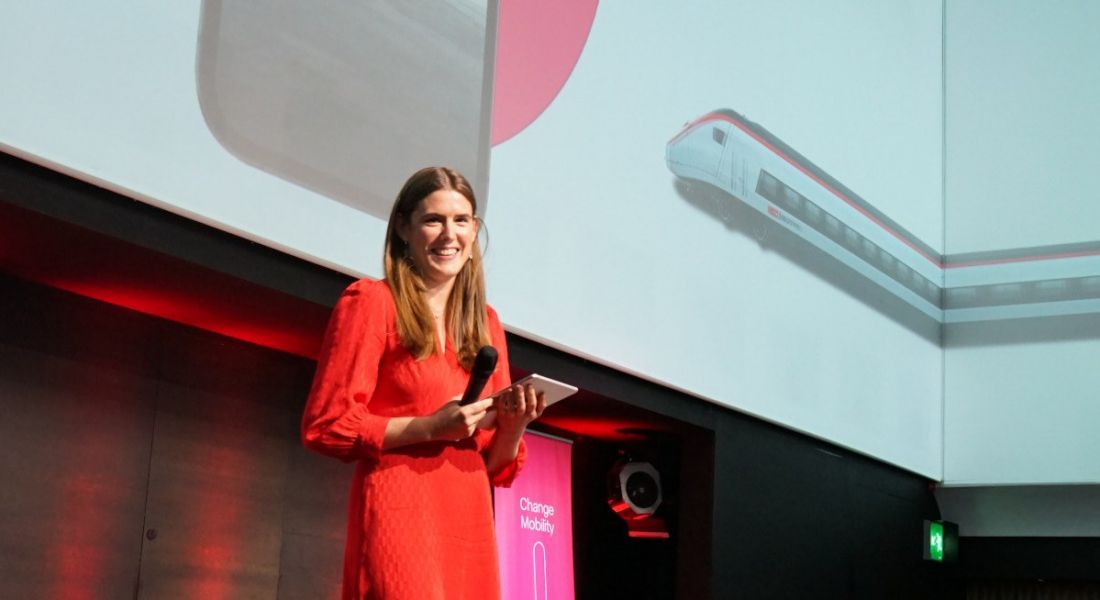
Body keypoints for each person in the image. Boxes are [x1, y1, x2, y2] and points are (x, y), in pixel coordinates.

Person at [301, 166, 545, 599]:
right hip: (401, 507)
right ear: (403, 229)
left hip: (468, 521)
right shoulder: (372, 303)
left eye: (461, 221)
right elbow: (327, 424)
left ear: (474, 234)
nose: (449, 234)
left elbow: (495, 465)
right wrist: (429, 427)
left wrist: (515, 424)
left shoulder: (487, 323)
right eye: (433, 220)